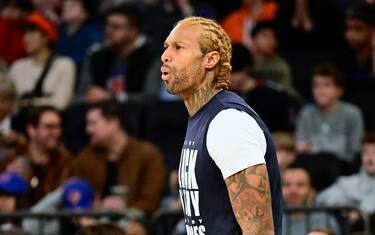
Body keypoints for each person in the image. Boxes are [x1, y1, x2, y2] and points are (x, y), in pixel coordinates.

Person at [161, 16, 282, 234]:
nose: (165, 56)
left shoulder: (229, 122)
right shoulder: (202, 117)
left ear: (210, 59)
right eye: (167, 47)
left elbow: (259, 230)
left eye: (179, 47)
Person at [70, 101, 165, 233]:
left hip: (133, 221)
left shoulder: (148, 155)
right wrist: (93, 209)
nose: (88, 130)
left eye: (93, 123)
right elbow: (74, 193)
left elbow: (151, 199)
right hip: (94, 220)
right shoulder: (85, 158)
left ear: (113, 123)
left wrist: (126, 211)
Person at [0, 106, 71, 204]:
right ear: (31, 130)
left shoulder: (65, 161)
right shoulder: (11, 158)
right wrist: (6, 178)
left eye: (58, 127)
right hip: (16, 217)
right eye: (49, 127)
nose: (56, 132)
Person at [296, 62, 364, 163]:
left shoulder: (352, 113)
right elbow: (300, 147)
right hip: (311, 165)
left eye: (327, 85)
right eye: (316, 85)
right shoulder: (306, 113)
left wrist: (315, 149)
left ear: (339, 90)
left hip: (343, 167)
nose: (320, 90)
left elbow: (355, 151)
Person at [7, 12, 76, 111]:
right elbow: (9, 103)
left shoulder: (64, 65)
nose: (26, 38)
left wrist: (28, 103)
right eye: (25, 33)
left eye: (31, 33)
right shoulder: (17, 67)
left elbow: (61, 103)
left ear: (46, 37)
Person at [316, 132, 375, 214]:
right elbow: (322, 199)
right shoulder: (350, 183)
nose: (370, 157)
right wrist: (350, 208)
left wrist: (360, 212)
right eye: (365, 152)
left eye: (374, 152)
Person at [282, 167, 340, 235]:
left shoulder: (324, 219)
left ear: (311, 191)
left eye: (300, 185)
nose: (293, 190)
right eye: (287, 185)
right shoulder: (271, 218)